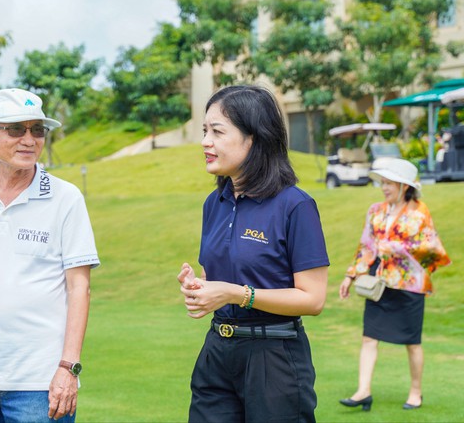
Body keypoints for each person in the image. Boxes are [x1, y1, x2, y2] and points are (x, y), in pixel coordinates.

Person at [0, 88, 100, 422]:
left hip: (41, 381)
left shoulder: (66, 198)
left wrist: (69, 368)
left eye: (37, 130)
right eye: (15, 129)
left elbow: (79, 288)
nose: (29, 140)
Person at [177, 85, 329, 423]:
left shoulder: (295, 205)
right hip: (217, 352)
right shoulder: (214, 204)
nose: (205, 142)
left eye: (217, 132)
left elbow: (313, 299)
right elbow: (221, 278)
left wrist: (236, 294)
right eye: (205, 131)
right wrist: (201, 289)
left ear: (254, 138)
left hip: (274, 358)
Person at [339, 157, 450, 411]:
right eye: (383, 182)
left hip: (409, 286)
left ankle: (416, 392)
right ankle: (363, 391)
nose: (384, 187)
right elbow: (366, 247)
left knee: (412, 342)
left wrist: (397, 248)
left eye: (389, 183)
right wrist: (350, 276)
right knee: (369, 337)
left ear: (404, 186)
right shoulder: (375, 210)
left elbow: (432, 249)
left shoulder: (419, 212)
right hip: (379, 285)